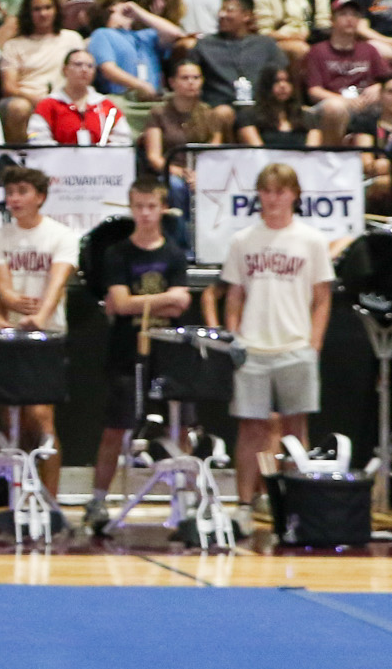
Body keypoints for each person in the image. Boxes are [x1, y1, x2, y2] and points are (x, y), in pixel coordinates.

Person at [215, 162, 334, 521]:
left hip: (295, 347)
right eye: (266, 192)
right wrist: (234, 337)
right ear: (259, 196)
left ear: (294, 195)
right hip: (252, 349)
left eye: (280, 191)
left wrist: (313, 345)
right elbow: (233, 295)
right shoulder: (243, 240)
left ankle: (296, 505)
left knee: (296, 431)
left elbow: (323, 298)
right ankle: (245, 506)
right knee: (251, 429)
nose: (273, 199)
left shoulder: (311, 240)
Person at [94, 179, 194, 534]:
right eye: (138, 206)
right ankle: (98, 500)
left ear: (162, 208)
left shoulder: (174, 254)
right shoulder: (118, 254)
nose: (145, 213)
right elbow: (119, 304)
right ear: (131, 208)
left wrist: (138, 303)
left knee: (179, 427)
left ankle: (186, 503)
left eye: (151, 206)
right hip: (126, 349)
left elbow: (184, 301)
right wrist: (164, 299)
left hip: (168, 354)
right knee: (115, 427)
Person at [0, 165, 79, 504]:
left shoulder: (61, 236)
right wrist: (10, 304)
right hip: (8, 339)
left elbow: (57, 282)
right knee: (10, 420)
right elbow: (1, 288)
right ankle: (18, 497)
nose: (14, 199)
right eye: (10, 192)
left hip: (45, 339)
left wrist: (40, 317)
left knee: (42, 417)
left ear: (40, 196)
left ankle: (49, 503)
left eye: (21, 191)